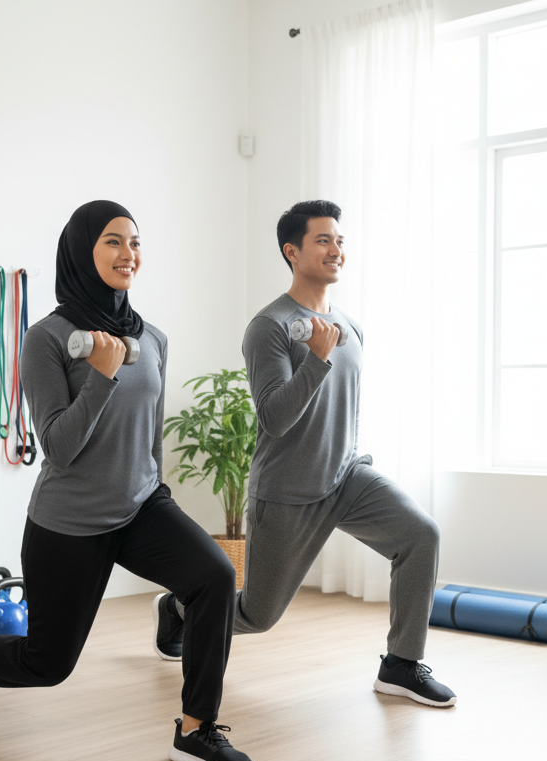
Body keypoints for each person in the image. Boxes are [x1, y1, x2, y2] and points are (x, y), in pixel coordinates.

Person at [0, 200, 256, 761]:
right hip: (70, 521)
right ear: (83, 250)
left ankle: (195, 728)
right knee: (46, 664)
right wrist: (102, 376)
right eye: (112, 241)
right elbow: (57, 446)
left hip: (140, 505)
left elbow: (150, 434)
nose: (128, 253)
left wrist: (162, 501)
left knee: (214, 575)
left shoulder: (151, 337)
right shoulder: (47, 339)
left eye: (134, 242)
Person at [152, 200, 456, 707]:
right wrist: (316, 360)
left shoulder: (351, 326)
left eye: (339, 240)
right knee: (258, 614)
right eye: (323, 240)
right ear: (292, 252)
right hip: (288, 490)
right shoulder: (268, 327)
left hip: (348, 477)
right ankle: (178, 610)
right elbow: (273, 417)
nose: (336, 249)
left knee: (420, 536)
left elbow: (343, 410)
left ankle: (401, 665)